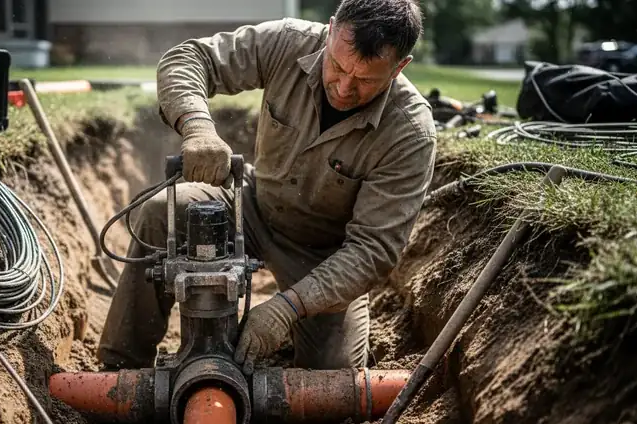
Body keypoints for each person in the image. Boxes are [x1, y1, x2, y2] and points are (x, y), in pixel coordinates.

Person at [98, 0, 437, 375]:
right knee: (163, 211)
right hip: (253, 204)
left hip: (325, 253)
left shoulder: (410, 132)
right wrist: (197, 126)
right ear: (330, 31)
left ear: (400, 67)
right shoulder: (288, 42)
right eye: (337, 66)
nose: (343, 87)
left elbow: (373, 250)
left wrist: (286, 309)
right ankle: (119, 369)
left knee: (331, 374)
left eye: (365, 81)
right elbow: (188, 59)